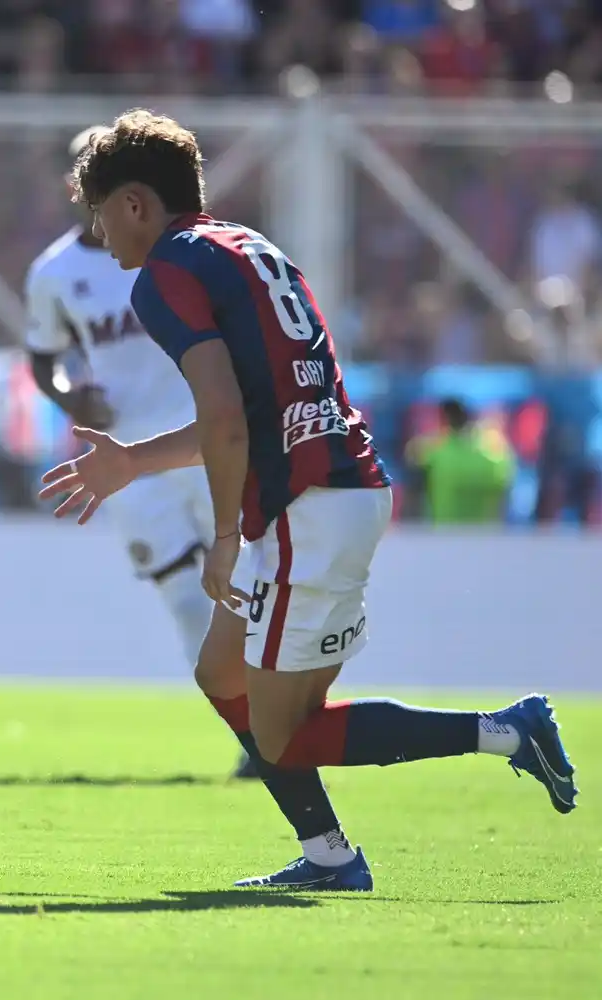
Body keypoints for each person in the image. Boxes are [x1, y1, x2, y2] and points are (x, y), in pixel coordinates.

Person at [39, 111, 576, 890]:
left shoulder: (164, 276)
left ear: (133, 204)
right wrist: (134, 462)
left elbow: (227, 419)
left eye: (98, 216)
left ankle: (506, 733)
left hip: (308, 510)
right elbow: (249, 411)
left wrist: (224, 536)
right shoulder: (246, 247)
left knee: (282, 736)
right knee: (223, 676)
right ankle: (328, 857)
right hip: (327, 493)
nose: (99, 237)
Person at [25, 128, 253, 779]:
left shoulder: (177, 255)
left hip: (204, 438)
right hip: (129, 459)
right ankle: (252, 734)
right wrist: (72, 399)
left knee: (243, 583)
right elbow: (42, 360)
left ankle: (279, 714)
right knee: (184, 598)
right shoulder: (54, 273)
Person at [407, 396, 515, 524]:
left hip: (445, 533)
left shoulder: (435, 448)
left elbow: (411, 456)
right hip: (486, 536)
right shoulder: (495, 448)